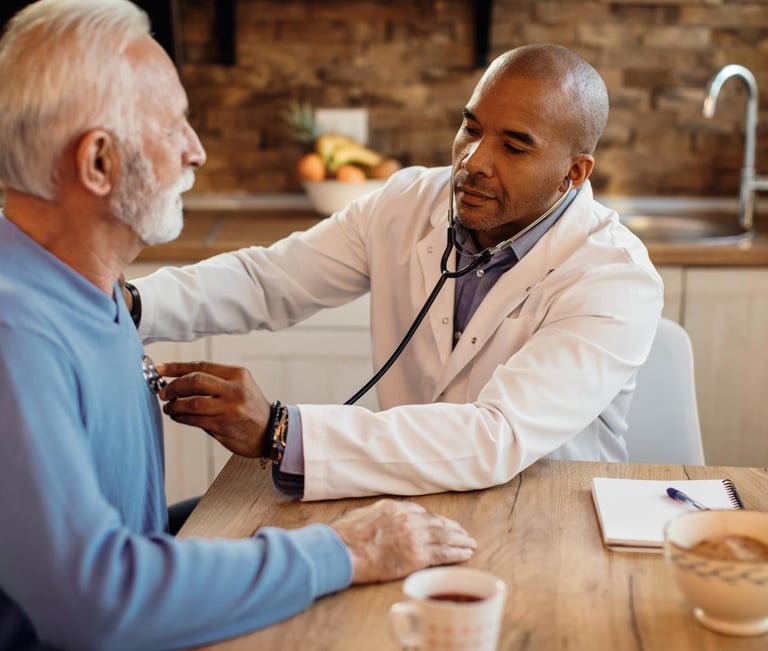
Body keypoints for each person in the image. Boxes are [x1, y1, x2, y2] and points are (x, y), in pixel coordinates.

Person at [0, 2, 478, 650]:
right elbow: (97, 598)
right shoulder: (18, 333)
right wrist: (340, 549)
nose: (196, 149)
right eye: (174, 127)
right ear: (98, 164)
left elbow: (130, 542)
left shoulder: (95, 295)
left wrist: (309, 519)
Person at [129, 44, 663, 501]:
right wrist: (131, 303)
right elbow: (270, 280)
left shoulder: (613, 277)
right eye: (470, 128)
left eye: (514, 146)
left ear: (574, 172)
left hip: (545, 519)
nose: (473, 161)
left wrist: (279, 431)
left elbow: (494, 437)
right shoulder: (407, 201)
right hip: (402, 498)